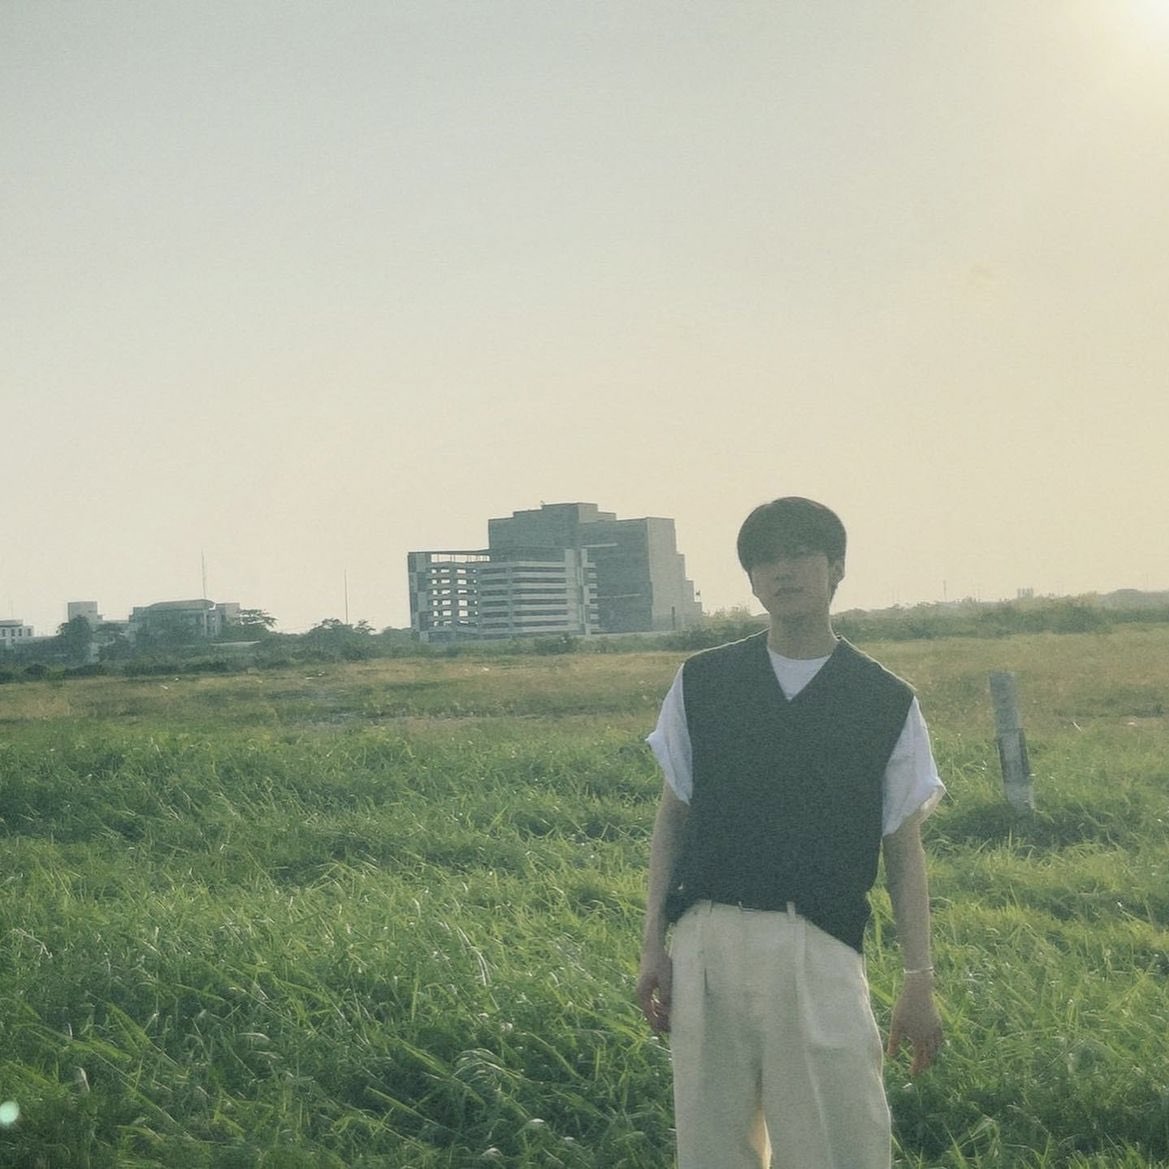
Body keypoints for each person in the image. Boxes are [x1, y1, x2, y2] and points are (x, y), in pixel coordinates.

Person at [636, 497, 944, 1169]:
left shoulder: (883, 699)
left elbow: (902, 849)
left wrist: (917, 978)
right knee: (712, 1149)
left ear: (836, 568)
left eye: (801, 553)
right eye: (766, 558)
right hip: (707, 938)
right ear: (750, 578)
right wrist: (653, 944)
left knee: (838, 1145)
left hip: (819, 942)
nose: (783, 570)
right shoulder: (703, 681)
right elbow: (673, 818)